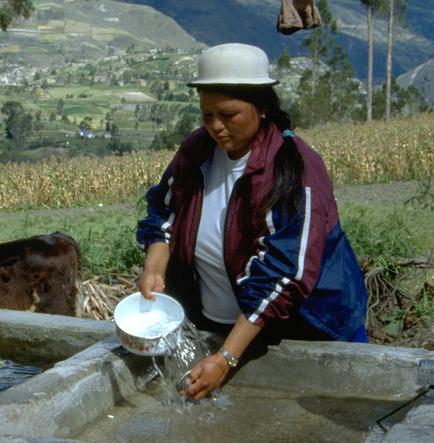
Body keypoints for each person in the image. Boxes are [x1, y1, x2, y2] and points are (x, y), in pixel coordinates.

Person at [135, 43, 367, 400]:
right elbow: (164, 209)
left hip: (300, 328)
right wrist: (155, 261)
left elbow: (284, 276)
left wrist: (227, 357)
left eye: (228, 115)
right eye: (206, 114)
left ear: (261, 108)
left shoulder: (293, 170)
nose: (215, 126)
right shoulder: (197, 152)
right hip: (218, 321)